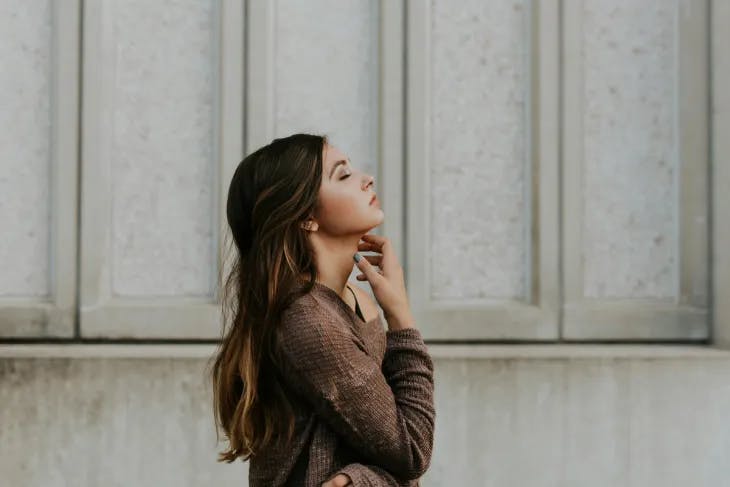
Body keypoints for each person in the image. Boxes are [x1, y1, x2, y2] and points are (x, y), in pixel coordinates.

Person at [209, 133, 435, 486]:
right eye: (342, 175)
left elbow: (393, 448)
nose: (366, 178)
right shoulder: (309, 320)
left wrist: (361, 478)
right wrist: (402, 318)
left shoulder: (357, 300)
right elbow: (413, 449)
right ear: (305, 217)